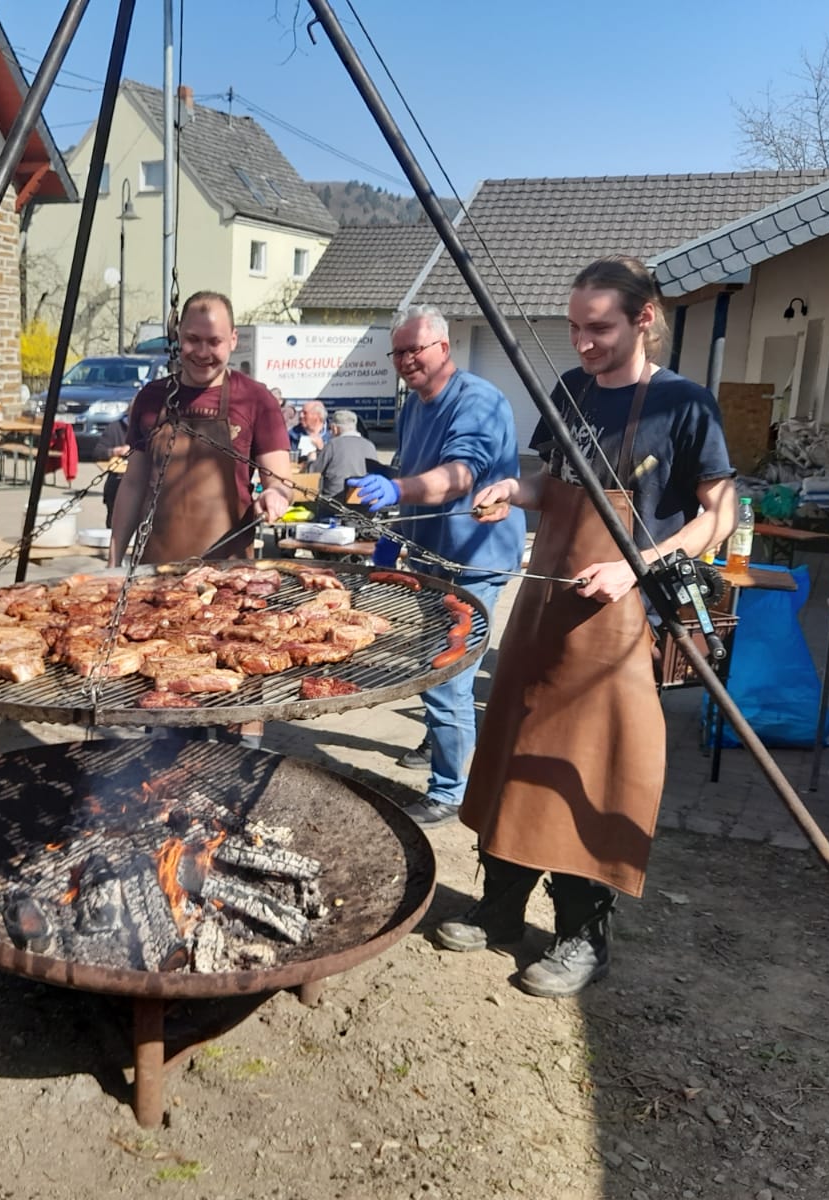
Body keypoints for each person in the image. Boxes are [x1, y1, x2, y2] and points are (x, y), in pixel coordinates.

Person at [440, 256, 737, 998]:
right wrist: (513, 489)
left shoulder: (685, 404)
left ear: (644, 318)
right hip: (545, 610)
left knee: (589, 772)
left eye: (598, 327)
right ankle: (501, 909)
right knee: (512, 757)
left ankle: (582, 936)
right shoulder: (571, 391)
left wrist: (636, 565)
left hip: (617, 622)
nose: (582, 343)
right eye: (574, 327)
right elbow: (555, 484)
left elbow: (718, 516)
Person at [347, 304, 526, 827]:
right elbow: (414, 473)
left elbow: (460, 477)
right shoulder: (415, 405)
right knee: (433, 661)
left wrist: (397, 489)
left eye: (414, 350)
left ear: (443, 348)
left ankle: (451, 791)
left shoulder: (477, 402)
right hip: (431, 552)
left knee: (447, 673)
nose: (404, 360)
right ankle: (438, 738)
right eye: (397, 352)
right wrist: (392, 535)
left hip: (477, 557)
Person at [110, 291, 293, 566]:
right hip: (152, 572)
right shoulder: (152, 398)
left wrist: (275, 495)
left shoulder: (256, 399)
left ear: (233, 340)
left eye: (214, 341)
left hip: (229, 575)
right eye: (193, 340)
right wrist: (113, 561)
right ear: (179, 337)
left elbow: (280, 481)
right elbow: (133, 484)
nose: (203, 352)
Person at [309, 408, 376, 511]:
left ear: (335, 429)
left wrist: (311, 458)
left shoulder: (333, 445)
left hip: (334, 504)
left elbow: (313, 472)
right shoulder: (370, 445)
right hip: (363, 505)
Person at [93, 413, 131, 525]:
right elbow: (97, 452)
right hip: (116, 481)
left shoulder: (151, 429)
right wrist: (115, 451)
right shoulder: (115, 428)